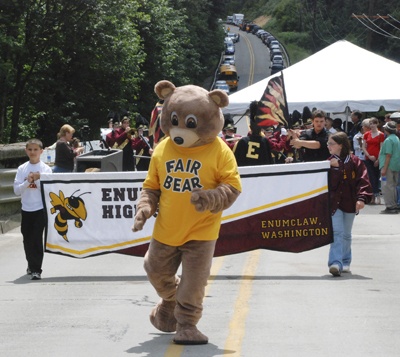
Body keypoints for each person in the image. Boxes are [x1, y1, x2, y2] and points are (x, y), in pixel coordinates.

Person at [326, 132, 372, 276]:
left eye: (331, 144)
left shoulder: (355, 162)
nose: (328, 146)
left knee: (346, 234)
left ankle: (345, 261)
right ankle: (335, 263)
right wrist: (331, 167)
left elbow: (363, 180)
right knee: (337, 232)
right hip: (334, 203)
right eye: (328, 144)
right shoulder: (328, 162)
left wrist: (362, 198)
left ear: (340, 145)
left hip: (350, 203)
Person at [13, 139, 53, 280]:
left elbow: (50, 189)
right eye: (30, 149)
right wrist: (27, 182)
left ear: (41, 151)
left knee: (36, 239)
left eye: (35, 150)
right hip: (26, 209)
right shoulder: (22, 168)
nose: (33, 152)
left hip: (40, 208)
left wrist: (39, 178)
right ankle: (31, 264)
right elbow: (17, 190)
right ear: (26, 151)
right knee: (27, 239)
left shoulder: (46, 169)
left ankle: (37, 269)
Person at [362, 117, 385, 204]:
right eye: (370, 124)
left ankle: (376, 195)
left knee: (376, 177)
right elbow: (363, 146)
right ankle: (373, 195)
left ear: (377, 124)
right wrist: (368, 155)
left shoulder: (381, 134)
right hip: (368, 158)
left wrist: (378, 159)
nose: (372, 125)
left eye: (373, 123)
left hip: (377, 158)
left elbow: (381, 148)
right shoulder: (367, 134)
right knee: (370, 177)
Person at [379, 121, 400, 214]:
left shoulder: (388, 140)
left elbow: (388, 155)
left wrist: (384, 168)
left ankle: (390, 206)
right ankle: (394, 204)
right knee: (393, 186)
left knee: (387, 186)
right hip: (395, 165)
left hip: (388, 166)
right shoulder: (396, 138)